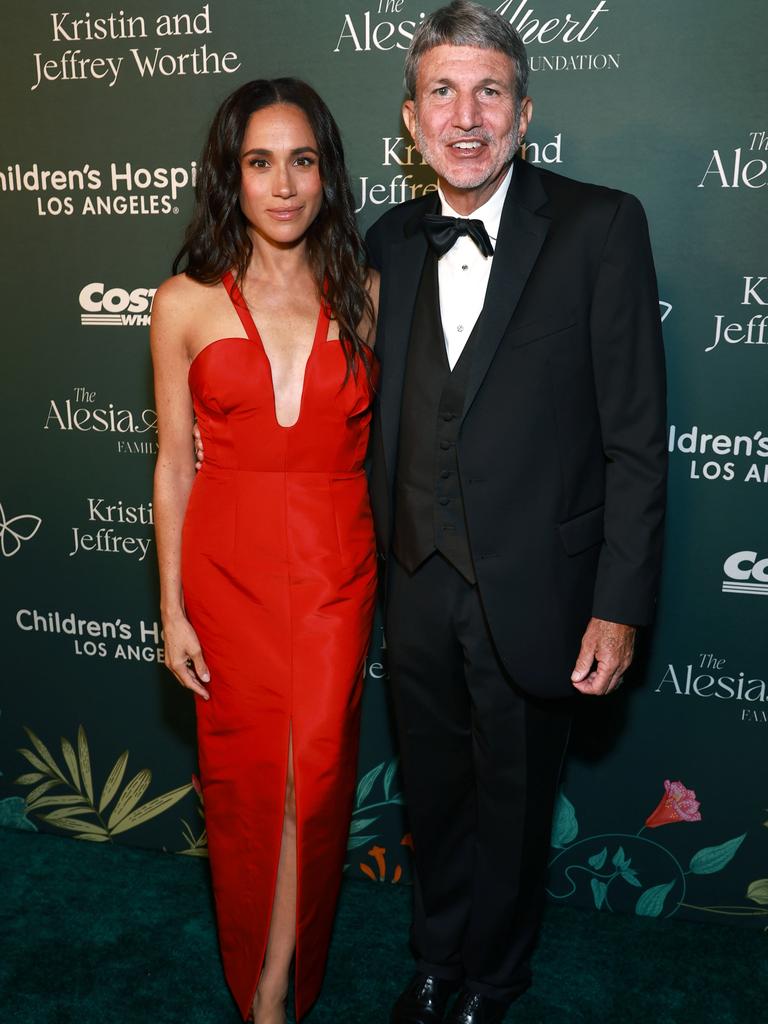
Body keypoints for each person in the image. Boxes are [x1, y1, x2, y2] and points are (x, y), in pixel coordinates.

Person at [364, 3, 667, 1022]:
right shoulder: (385, 241)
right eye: (442, 92)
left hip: (540, 587)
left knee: (514, 801)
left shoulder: (600, 224)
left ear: (524, 112)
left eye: (488, 91)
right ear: (410, 121)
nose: (465, 116)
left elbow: (635, 435)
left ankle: (494, 975)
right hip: (412, 583)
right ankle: (436, 959)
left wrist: (619, 606)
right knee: (435, 794)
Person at [151, 78, 378, 1024]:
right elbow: (172, 465)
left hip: (335, 569)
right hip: (226, 571)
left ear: (326, 172)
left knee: (315, 780)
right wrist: (170, 607)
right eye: (258, 162)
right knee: (251, 788)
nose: (282, 185)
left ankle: (280, 981)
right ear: (229, 176)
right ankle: (267, 997)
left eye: (302, 160)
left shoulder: (366, 292)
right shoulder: (183, 302)